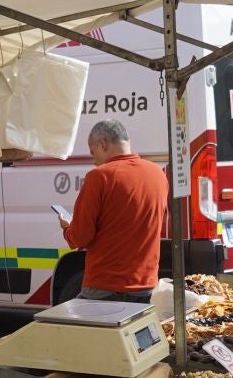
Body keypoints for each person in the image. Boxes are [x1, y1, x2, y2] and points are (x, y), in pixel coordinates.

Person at [57, 119, 168, 303]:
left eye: (93, 153)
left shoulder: (99, 177)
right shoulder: (157, 174)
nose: (94, 161)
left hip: (104, 287)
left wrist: (68, 229)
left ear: (103, 144)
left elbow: (81, 237)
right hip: (146, 286)